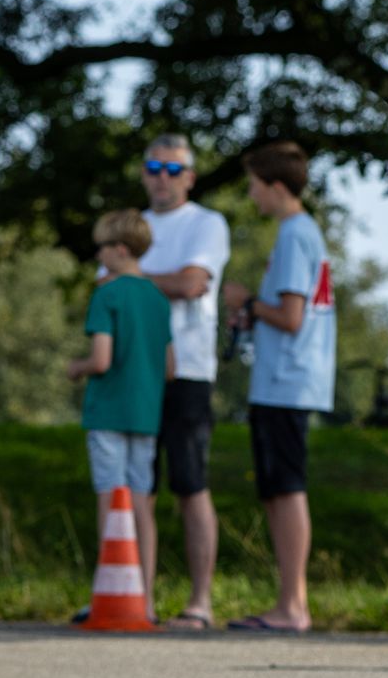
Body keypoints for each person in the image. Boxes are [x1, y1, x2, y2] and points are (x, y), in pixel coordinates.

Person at [222, 141, 335, 633]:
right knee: (276, 489)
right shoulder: (305, 233)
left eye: (254, 186)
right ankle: (290, 601)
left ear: (276, 187)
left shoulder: (294, 235)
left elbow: (290, 316)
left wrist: (248, 302)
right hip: (289, 378)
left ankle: (293, 605)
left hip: (286, 381)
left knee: (286, 490)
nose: (251, 196)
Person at [135, 135, 231, 628]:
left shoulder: (207, 223)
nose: (162, 177)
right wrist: (155, 279)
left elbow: (194, 283)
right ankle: (140, 601)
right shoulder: (135, 227)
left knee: (191, 484)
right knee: (139, 487)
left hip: (188, 369)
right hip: (137, 370)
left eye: (173, 169)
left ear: (190, 177)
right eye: (154, 167)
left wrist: (131, 278)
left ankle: (200, 602)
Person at [67, 210, 174, 621]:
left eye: (103, 248)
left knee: (111, 501)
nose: (99, 255)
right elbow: (170, 367)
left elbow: (101, 358)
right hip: (146, 415)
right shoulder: (157, 299)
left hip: (108, 412)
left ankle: (110, 593)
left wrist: (77, 368)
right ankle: (143, 600)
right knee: (142, 504)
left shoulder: (107, 294)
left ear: (121, 250)